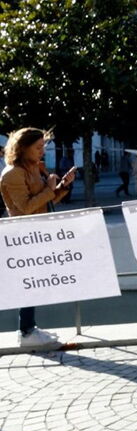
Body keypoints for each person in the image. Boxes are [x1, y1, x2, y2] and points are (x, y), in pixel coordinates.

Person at [1, 128, 76, 347]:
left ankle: (30, 328)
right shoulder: (13, 173)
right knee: (29, 283)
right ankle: (26, 331)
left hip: (37, 232)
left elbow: (45, 202)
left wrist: (62, 186)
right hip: (23, 235)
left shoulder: (34, 168)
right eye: (38, 147)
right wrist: (51, 188)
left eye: (43, 146)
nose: (42, 151)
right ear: (23, 148)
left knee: (35, 283)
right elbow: (24, 208)